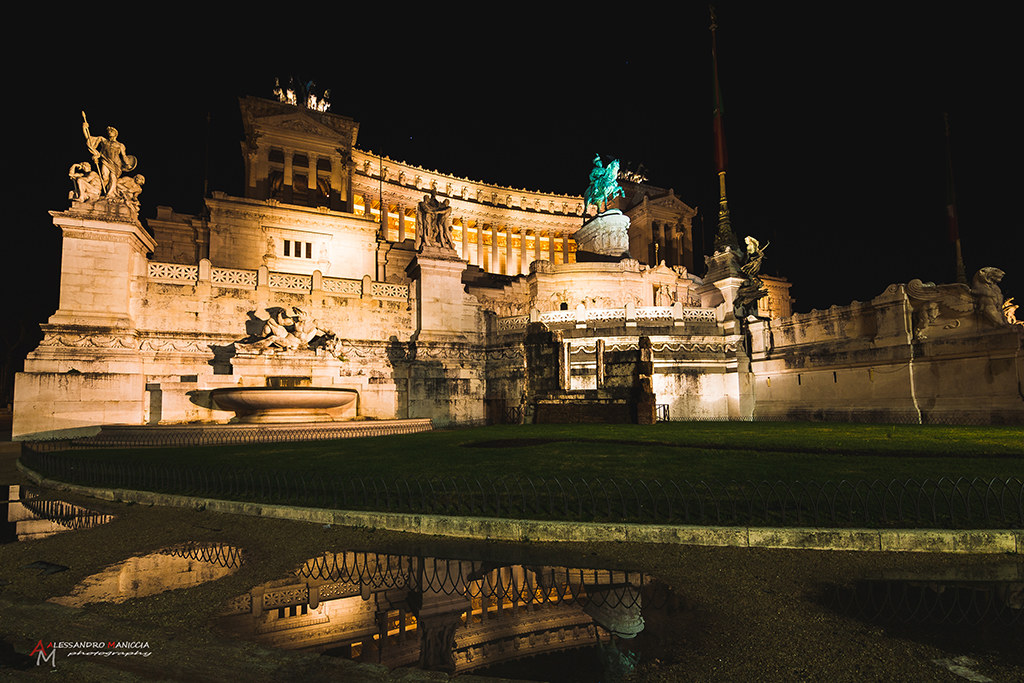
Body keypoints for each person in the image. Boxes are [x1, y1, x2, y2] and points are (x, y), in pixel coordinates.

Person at [82, 111, 136, 196]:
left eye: (111, 131)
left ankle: (110, 194)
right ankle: (98, 192)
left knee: (113, 177)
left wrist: (128, 164)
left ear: (115, 134)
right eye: (109, 131)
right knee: (104, 177)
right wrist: (84, 128)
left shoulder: (120, 145)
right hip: (105, 161)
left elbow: (124, 156)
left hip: (116, 164)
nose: (109, 132)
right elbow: (89, 139)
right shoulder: (103, 140)